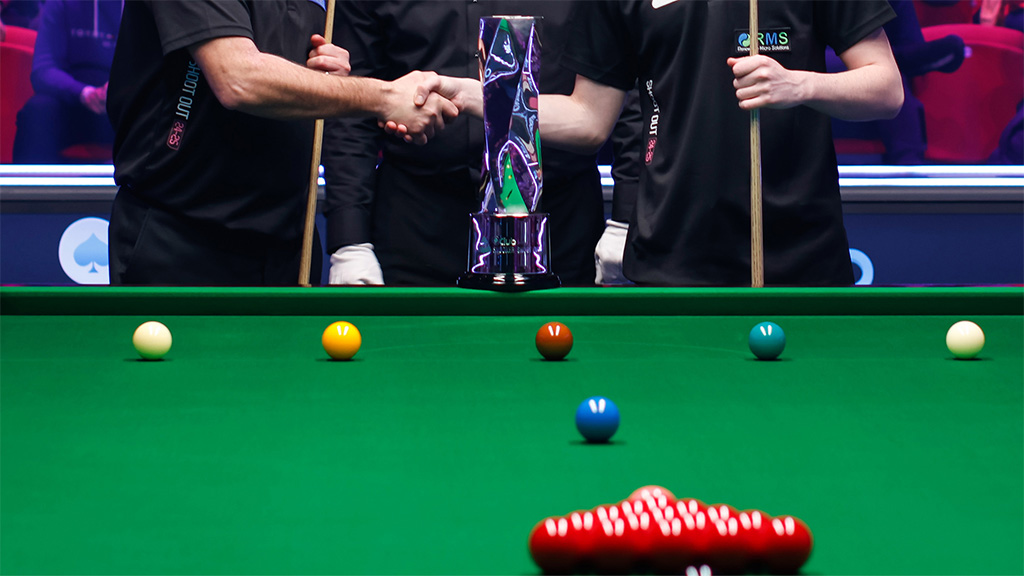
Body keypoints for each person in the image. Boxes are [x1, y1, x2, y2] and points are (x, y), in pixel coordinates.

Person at [416, 0, 904, 286]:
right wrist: (480, 96)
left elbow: (886, 89)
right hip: (673, 253)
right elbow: (588, 119)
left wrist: (801, 85)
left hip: (797, 252)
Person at [105, 0, 460, 286]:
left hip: (288, 241)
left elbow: (289, 74)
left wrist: (323, 78)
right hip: (180, 238)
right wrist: (384, 97)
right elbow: (237, 79)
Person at [322, 1, 639, 287]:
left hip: (562, 224)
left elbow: (628, 89)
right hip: (417, 223)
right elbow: (352, 98)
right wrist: (350, 241)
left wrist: (626, 219)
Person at [12, 0, 121, 164]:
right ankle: (29, 180)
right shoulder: (61, 3)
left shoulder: (140, 7)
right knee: (38, 110)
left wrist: (121, 89)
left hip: (123, 102)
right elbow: (43, 69)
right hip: (72, 99)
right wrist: (85, 93)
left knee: (150, 112)